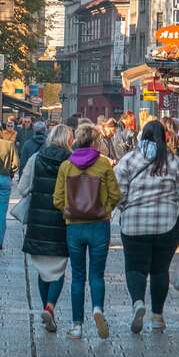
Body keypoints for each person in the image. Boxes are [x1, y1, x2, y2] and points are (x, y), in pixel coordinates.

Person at [115, 119, 179, 334]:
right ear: (165, 137)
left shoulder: (128, 160)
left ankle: (138, 303)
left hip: (133, 225)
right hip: (167, 226)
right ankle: (158, 316)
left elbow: (117, 193)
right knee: (160, 270)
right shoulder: (174, 162)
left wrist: (126, 209)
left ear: (142, 137)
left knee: (135, 267)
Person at [52, 122, 122, 339]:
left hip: (74, 227)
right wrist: (104, 210)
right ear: (94, 142)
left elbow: (57, 199)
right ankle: (98, 309)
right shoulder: (103, 165)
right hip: (99, 225)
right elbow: (116, 195)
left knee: (77, 276)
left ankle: (76, 326)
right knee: (97, 275)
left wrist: (69, 210)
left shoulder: (66, 166)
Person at [17, 124, 73, 333]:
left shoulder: (36, 159)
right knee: (58, 270)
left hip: (38, 223)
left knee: (43, 271)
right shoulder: (71, 161)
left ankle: (45, 308)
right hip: (61, 222)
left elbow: (22, 189)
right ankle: (50, 307)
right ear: (68, 140)